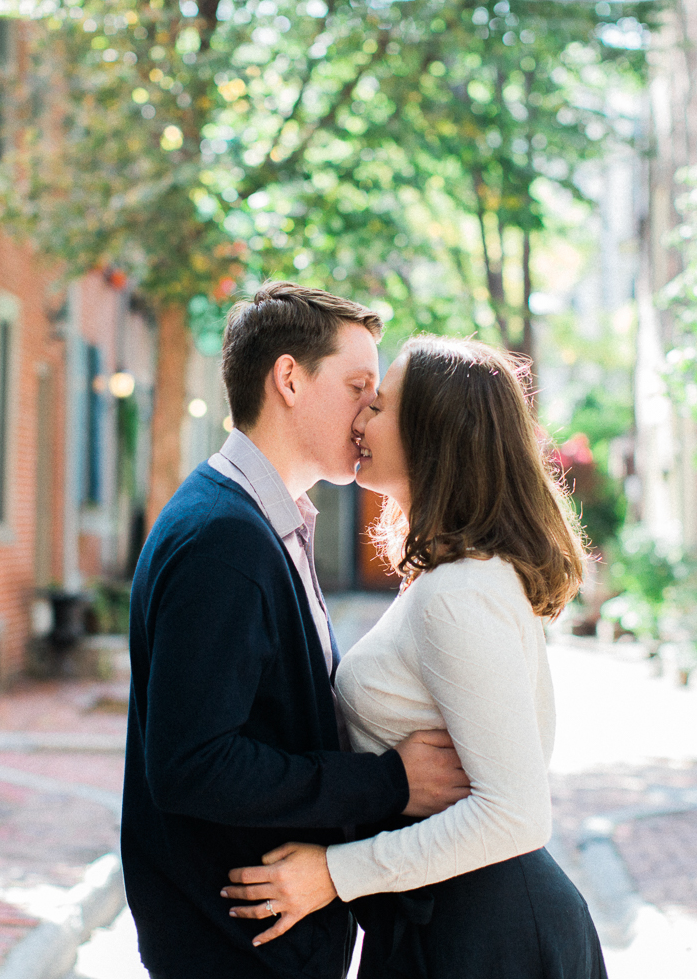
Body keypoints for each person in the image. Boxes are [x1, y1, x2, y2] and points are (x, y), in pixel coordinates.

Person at [220, 335, 609, 978]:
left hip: (489, 932)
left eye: (382, 405)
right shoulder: (448, 578)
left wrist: (331, 875)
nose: (362, 416)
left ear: (435, 432)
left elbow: (515, 812)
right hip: (437, 919)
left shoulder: (458, 593)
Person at [121, 284, 473, 979]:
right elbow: (193, 764)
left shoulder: (262, 522)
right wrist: (388, 783)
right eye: (357, 386)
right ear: (289, 379)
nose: (370, 411)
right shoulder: (224, 539)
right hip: (233, 945)